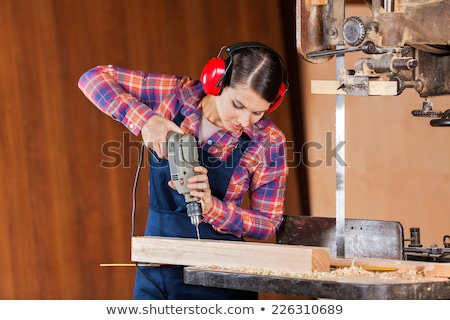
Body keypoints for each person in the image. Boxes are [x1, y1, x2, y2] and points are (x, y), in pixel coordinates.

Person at [78, 41, 289, 300]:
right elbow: (93, 78)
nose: (244, 121)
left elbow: (268, 223)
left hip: (222, 278)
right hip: (158, 268)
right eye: (238, 105)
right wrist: (147, 120)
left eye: (257, 112)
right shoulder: (176, 96)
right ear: (217, 82)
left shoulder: (268, 140)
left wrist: (213, 208)